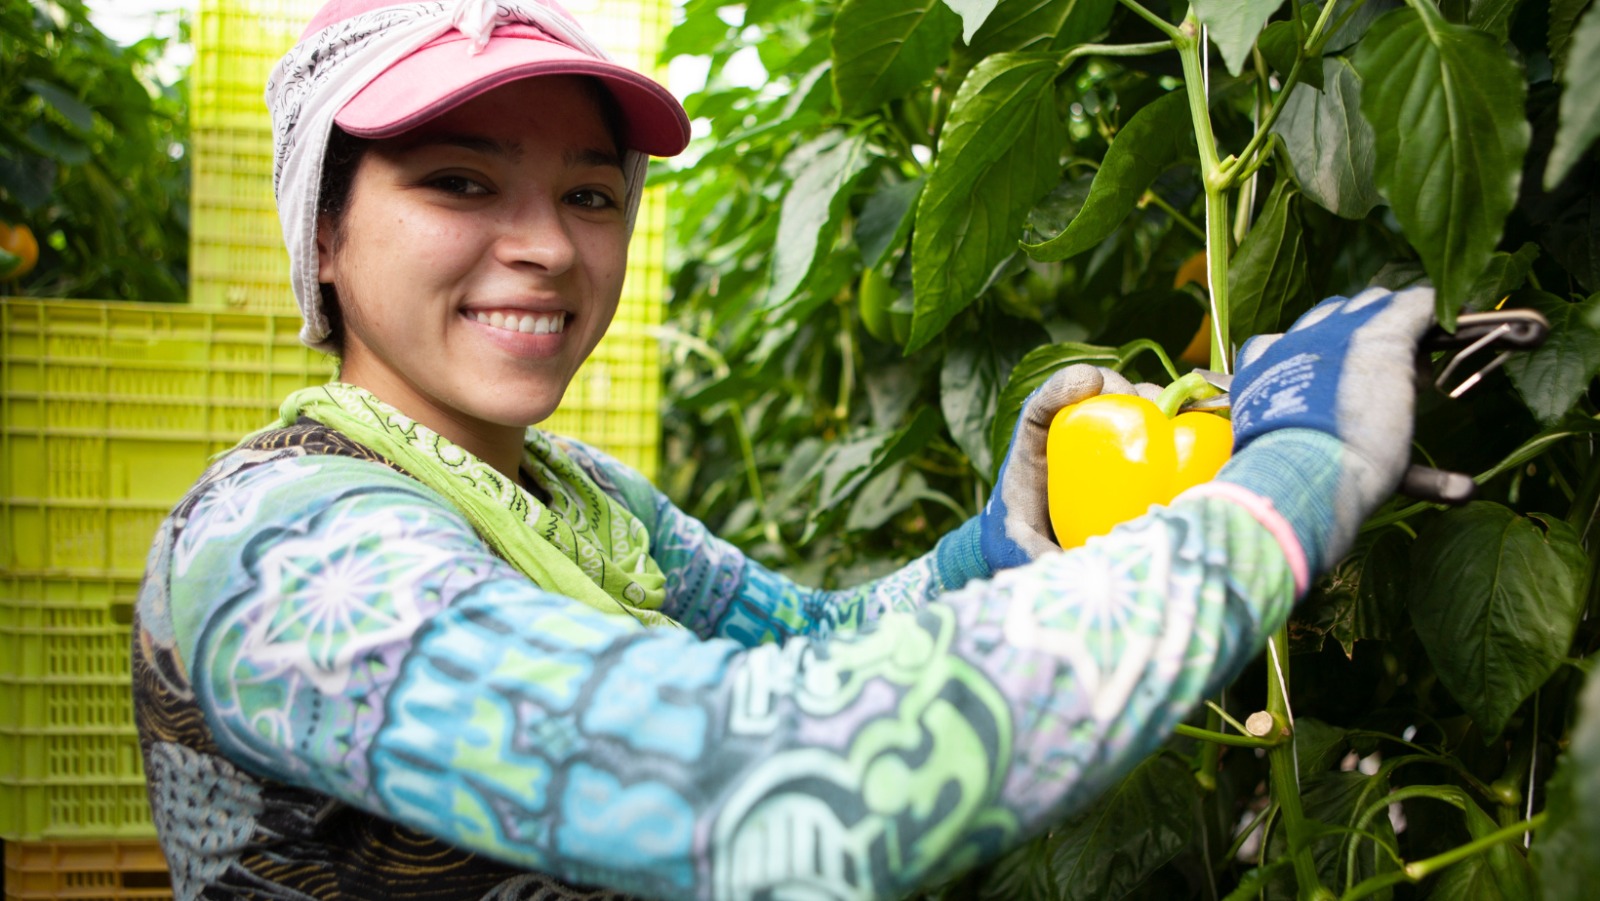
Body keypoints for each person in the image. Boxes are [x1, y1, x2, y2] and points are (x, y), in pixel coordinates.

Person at [131, 0, 1439, 898]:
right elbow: (787, 777)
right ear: (323, 233)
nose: (545, 243)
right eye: (459, 182)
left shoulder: (581, 500)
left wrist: (1008, 532)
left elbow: (810, 645)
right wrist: (1286, 490)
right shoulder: (284, 555)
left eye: (591, 192)